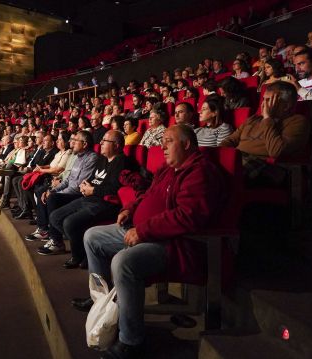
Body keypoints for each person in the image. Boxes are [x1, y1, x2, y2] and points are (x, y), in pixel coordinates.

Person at [76, 125, 229, 359]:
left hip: (173, 244)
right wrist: (130, 209)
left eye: (168, 141)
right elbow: (147, 194)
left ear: (187, 144)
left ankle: (131, 342)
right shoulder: (169, 169)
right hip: (143, 231)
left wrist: (143, 231)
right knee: (92, 237)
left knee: (123, 262)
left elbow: (187, 216)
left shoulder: (200, 172)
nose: (162, 146)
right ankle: (103, 305)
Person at [37, 130, 129, 268]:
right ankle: (85, 251)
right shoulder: (102, 159)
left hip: (105, 203)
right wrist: (85, 186)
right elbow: (92, 179)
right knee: (55, 217)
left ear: (116, 145)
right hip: (89, 198)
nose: (101, 143)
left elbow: (116, 189)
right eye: (102, 140)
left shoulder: (122, 162)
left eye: (105, 140)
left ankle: (79, 256)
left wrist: (93, 190)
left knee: (69, 223)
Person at [221, 81, 310, 185]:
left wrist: (268, 118)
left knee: (225, 174)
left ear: (286, 106)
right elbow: (230, 140)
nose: (263, 104)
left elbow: (276, 151)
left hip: (266, 166)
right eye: (263, 99)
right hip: (241, 159)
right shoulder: (253, 119)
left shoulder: (297, 121)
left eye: (268, 100)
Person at [24, 131, 97, 243]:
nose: (72, 142)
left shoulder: (91, 158)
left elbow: (77, 186)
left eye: (76, 140)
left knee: (52, 198)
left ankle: (56, 241)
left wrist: (56, 193)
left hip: (77, 194)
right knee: (46, 192)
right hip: (69, 190)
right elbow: (68, 180)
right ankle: (45, 230)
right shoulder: (78, 158)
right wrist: (53, 190)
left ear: (85, 144)